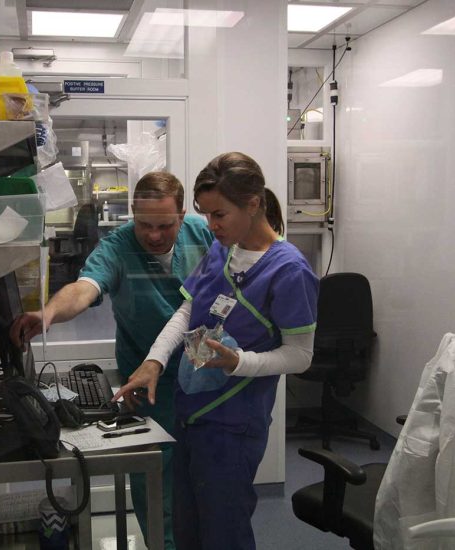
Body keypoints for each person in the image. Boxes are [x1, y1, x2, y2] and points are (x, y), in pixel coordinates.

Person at [114, 152, 319, 550]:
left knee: (223, 534)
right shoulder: (224, 250)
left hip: (232, 427)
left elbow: (301, 355)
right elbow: (189, 307)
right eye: (206, 215)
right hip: (191, 414)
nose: (211, 225)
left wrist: (240, 362)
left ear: (254, 203)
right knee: (188, 530)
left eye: (219, 214)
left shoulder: (289, 270)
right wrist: (153, 362)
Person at [10, 171, 214, 550]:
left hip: (206, 377)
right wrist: (49, 314)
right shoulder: (118, 248)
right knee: (157, 484)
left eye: (165, 225)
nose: (154, 235)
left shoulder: (203, 235)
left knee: (205, 479)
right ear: (132, 215)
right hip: (150, 385)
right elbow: (84, 288)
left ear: (183, 215)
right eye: (144, 225)